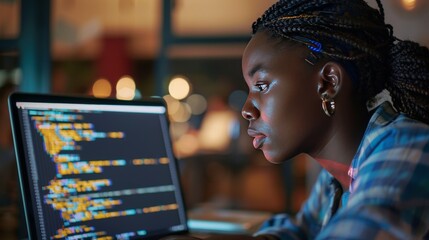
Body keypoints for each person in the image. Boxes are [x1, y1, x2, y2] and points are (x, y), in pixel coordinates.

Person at [164, 0, 429, 239]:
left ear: (327, 83)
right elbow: (302, 228)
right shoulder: (336, 179)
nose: (246, 110)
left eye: (262, 85)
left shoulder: (408, 145)